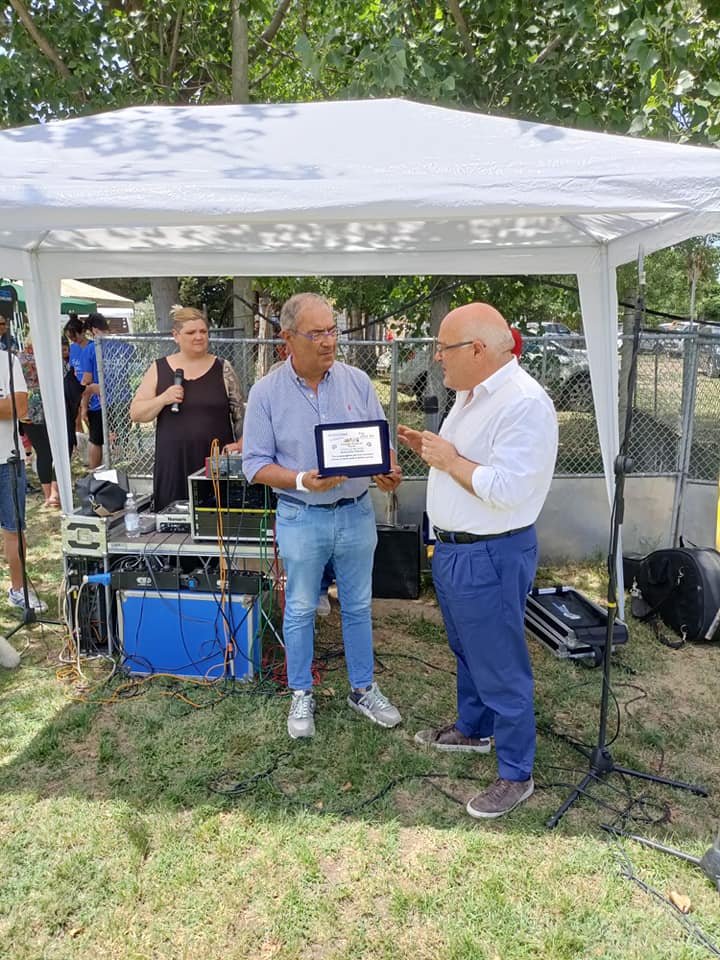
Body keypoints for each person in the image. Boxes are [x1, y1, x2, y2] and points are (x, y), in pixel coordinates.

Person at [398, 302, 558, 820]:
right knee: (467, 648)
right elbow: (467, 462)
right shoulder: (471, 395)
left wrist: (449, 460)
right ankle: (474, 729)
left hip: (490, 553)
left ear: (478, 349)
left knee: (500, 663)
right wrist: (435, 450)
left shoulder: (524, 403)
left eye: (443, 348)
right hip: (455, 550)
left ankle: (516, 773)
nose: (437, 357)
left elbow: (508, 488)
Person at [242, 292, 403, 740]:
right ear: (287, 338)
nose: (329, 341)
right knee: (298, 608)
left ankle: (363, 688)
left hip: (355, 512)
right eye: (316, 333)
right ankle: (301, 692)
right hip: (301, 515)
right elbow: (254, 464)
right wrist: (300, 480)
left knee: (358, 605)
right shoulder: (266, 392)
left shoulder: (358, 382)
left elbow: (381, 446)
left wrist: (389, 471)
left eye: (332, 330)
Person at [130, 305, 244, 511]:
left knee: (216, 520)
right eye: (191, 332)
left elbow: (241, 416)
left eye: (203, 331)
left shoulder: (223, 368)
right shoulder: (159, 368)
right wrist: (163, 398)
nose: (199, 337)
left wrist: (241, 444)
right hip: (173, 464)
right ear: (176, 336)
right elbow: (136, 413)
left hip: (215, 463)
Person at [0, 345, 47, 616]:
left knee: (14, 528)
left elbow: (19, 407)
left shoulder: (8, 361)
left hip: (8, 458)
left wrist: (10, 406)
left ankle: (18, 589)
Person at [18, 340, 60, 508]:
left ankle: (48, 494)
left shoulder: (18, 359)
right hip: (46, 407)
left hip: (26, 410)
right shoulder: (48, 358)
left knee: (43, 452)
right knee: (51, 450)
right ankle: (53, 493)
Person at [79, 313, 111, 470]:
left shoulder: (91, 349)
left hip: (98, 402)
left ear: (93, 330)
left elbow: (86, 380)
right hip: (121, 399)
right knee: (116, 438)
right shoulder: (121, 344)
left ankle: (95, 472)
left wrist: (84, 406)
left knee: (96, 440)